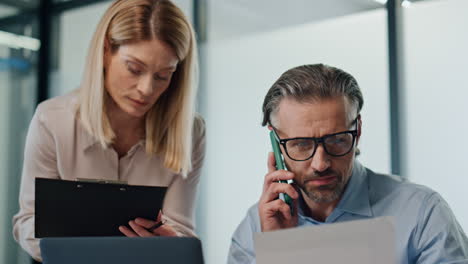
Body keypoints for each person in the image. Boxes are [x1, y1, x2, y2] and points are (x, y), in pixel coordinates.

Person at [12, 0, 205, 262]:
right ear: (105, 52)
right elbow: (27, 223)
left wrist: (170, 243)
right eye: (134, 69)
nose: (146, 89)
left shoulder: (190, 132)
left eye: (163, 75)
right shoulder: (52, 121)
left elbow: (181, 229)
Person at [227, 64, 468, 264]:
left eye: (337, 140)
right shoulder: (255, 229)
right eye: (301, 144)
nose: (320, 163)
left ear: (358, 130)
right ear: (277, 143)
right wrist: (277, 252)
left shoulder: (422, 214)